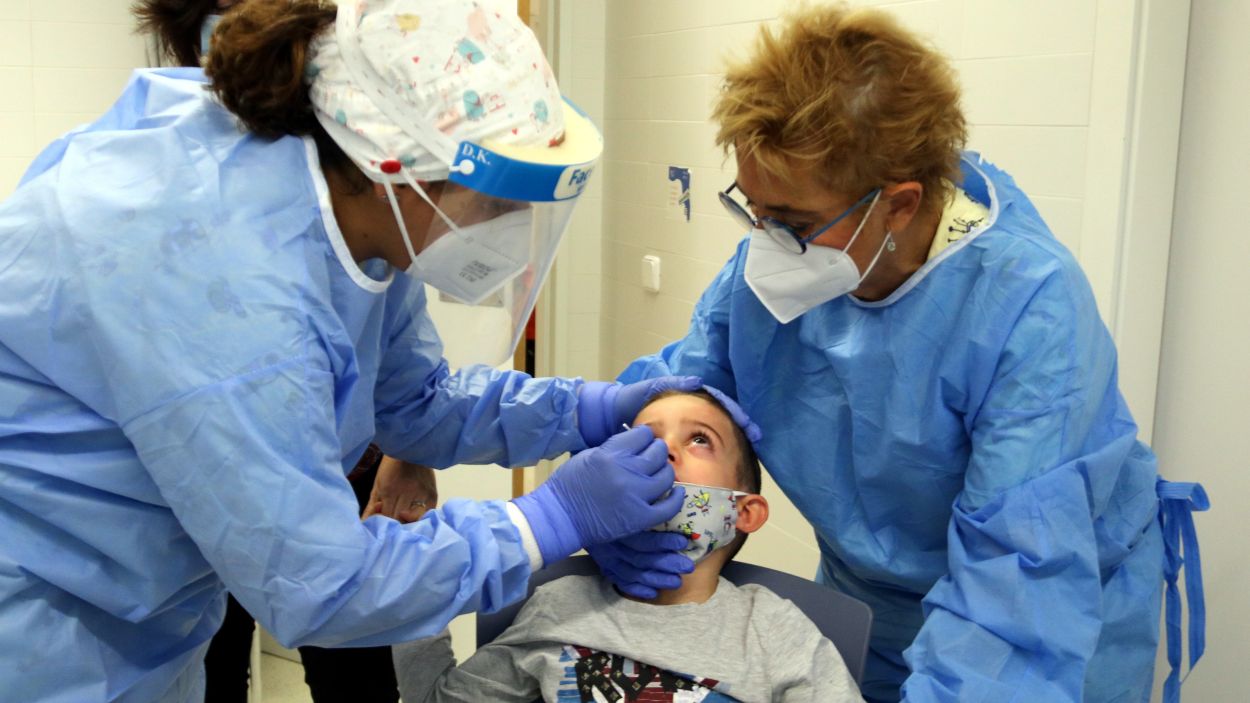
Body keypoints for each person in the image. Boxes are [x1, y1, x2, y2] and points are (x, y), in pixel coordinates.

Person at [0, 1, 703, 701]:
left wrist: (582, 409)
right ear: (396, 169)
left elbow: (412, 401)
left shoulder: (349, 216)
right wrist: (545, 521)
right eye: (495, 203)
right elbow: (320, 585)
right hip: (45, 633)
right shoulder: (225, 279)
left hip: (137, 617)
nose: (511, 232)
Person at [598, 4, 1210, 702]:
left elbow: (1012, 584)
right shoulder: (773, 272)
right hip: (869, 604)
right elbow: (682, 395)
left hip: (1031, 624)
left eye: (792, 222)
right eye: (754, 211)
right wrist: (608, 481)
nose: (763, 244)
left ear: (898, 204)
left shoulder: (1027, 308)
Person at [135, 3, 440, 701]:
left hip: (340, 465)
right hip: (205, 490)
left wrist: (413, 444)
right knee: (213, 660)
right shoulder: (167, 198)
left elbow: (403, 353)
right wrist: (537, 526)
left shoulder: (350, 171)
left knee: (354, 670)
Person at [393, 388, 864, 703]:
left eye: (700, 439)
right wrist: (415, 565)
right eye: (642, 439)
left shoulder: (772, 630)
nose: (661, 451)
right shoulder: (559, 607)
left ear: (745, 512)